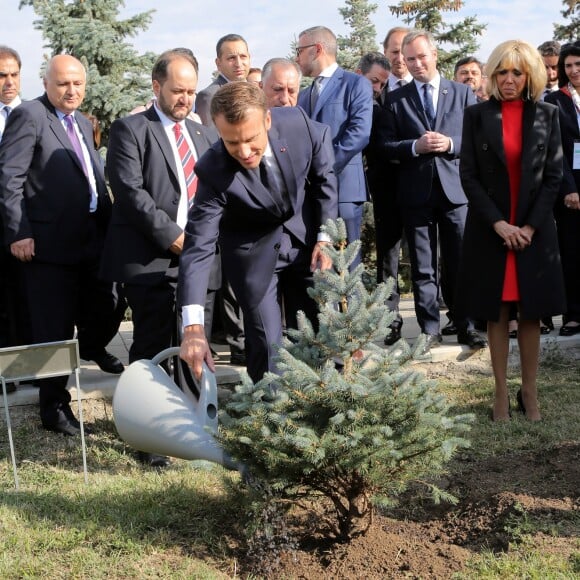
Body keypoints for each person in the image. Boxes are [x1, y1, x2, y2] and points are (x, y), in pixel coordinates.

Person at [102, 49, 218, 466]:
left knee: (194, 343)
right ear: (156, 86)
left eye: (190, 91)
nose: (185, 99)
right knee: (151, 346)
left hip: (198, 260)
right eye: (177, 91)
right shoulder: (130, 129)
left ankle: (191, 433)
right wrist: (174, 238)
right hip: (151, 258)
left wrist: (202, 243)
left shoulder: (205, 135)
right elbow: (130, 192)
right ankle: (149, 440)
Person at [178, 82, 338, 383]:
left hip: (306, 242)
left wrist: (325, 236)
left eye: (251, 139)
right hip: (254, 253)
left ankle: (322, 407)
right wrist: (193, 327)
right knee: (266, 343)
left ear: (267, 120)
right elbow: (198, 246)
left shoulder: (297, 124)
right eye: (231, 143)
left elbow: (323, 178)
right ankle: (270, 414)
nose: (244, 151)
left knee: (318, 332)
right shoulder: (213, 170)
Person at [0, 55, 116, 435]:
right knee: (55, 329)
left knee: (106, 307)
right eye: (64, 83)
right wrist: (18, 231)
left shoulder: (82, 122)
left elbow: (89, 176)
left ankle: (92, 350)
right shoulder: (31, 115)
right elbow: (9, 178)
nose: (72, 91)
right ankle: (54, 408)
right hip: (48, 248)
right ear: (46, 82)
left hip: (91, 242)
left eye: (78, 84)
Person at [457, 39, 564, 422]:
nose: (509, 79)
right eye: (502, 71)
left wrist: (529, 227)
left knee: (532, 313)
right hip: (491, 229)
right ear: (493, 74)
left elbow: (553, 177)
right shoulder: (476, 116)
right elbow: (467, 176)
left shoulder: (548, 115)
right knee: (497, 311)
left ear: (529, 75)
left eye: (517, 72)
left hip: (534, 230)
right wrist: (500, 224)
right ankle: (501, 393)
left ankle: (529, 394)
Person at [376, 29, 486, 353]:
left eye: (422, 56)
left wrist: (451, 144)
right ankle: (429, 330)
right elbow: (383, 146)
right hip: (415, 193)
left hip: (455, 192)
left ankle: (466, 325)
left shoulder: (463, 94)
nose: (416, 63)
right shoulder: (394, 99)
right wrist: (414, 146)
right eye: (409, 59)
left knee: (462, 262)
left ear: (435, 55)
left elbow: (479, 141)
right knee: (423, 266)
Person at [296, 25, 373, 269]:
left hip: (345, 191)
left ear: (317, 49)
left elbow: (359, 134)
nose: (296, 57)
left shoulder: (355, 85)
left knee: (348, 268)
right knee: (320, 269)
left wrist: (324, 167)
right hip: (311, 195)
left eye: (300, 50)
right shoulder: (302, 94)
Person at [374, 27, 412, 346]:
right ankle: (390, 318)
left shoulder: (424, 90)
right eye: (394, 51)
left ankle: (450, 312)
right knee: (388, 254)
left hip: (422, 185)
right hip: (386, 185)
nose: (400, 58)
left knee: (428, 250)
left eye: (405, 51)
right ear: (386, 53)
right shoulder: (375, 90)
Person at [545, 41, 580, 337]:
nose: (573, 70)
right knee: (571, 251)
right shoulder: (556, 100)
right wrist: (568, 188)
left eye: (578, 64)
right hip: (570, 188)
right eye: (568, 65)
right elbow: (555, 149)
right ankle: (574, 314)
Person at [195, 33, 251, 128]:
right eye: (231, 58)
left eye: (243, 56)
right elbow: (211, 138)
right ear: (218, 63)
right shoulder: (210, 96)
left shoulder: (257, 92)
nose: (238, 63)